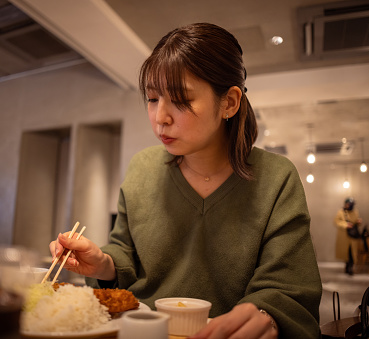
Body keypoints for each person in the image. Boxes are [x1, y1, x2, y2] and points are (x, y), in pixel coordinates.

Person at [50, 23, 321, 339]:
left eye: (180, 100)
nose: (160, 117)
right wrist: (104, 264)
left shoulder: (276, 179)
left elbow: (289, 288)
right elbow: (128, 255)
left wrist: (269, 316)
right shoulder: (143, 168)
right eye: (152, 98)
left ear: (229, 103)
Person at [334, 197, 363, 275]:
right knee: (346, 252)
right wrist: (346, 225)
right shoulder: (341, 212)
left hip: (353, 236)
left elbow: (356, 221)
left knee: (352, 252)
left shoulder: (355, 211)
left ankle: (350, 267)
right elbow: (336, 221)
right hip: (344, 236)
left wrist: (358, 222)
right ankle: (347, 266)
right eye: (349, 204)